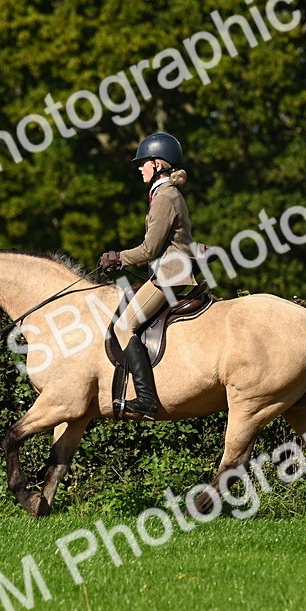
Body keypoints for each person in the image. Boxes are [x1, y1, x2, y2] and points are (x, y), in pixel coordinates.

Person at [98, 132, 198, 420]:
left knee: (123, 326)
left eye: (144, 163)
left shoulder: (165, 197)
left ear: (158, 164)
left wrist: (119, 257)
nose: (139, 168)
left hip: (170, 276)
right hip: (169, 271)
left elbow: (150, 249)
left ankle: (145, 399)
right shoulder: (164, 194)